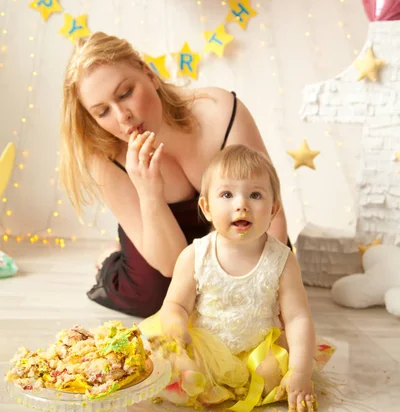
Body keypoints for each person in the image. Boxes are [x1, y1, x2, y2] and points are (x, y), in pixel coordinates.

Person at [60, 32, 288, 318]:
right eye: (103, 111)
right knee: (154, 296)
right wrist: (149, 192)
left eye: (126, 93)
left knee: (269, 273)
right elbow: (170, 266)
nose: (122, 117)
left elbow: (270, 213)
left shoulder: (219, 112)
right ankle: (110, 257)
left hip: (237, 229)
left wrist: (264, 290)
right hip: (163, 242)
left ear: (149, 74)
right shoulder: (105, 157)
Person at [140, 145, 334, 412]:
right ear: (206, 208)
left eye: (255, 195)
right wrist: (176, 328)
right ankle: (202, 381)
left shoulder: (282, 261)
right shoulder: (195, 255)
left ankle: (243, 385)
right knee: (176, 363)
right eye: (227, 194)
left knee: (272, 371)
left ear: (273, 209)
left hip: (257, 345)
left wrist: (299, 371)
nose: (241, 204)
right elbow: (175, 305)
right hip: (207, 345)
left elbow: (297, 318)